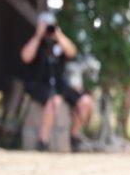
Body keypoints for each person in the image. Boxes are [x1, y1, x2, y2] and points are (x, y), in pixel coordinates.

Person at [19, 11, 94, 151]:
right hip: (38, 84)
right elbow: (25, 57)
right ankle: (42, 141)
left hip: (60, 85)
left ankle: (74, 137)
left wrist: (58, 35)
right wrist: (38, 36)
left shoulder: (59, 42)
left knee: (86, 101)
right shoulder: (35, 42)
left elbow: (72, 52)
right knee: (53, 101)